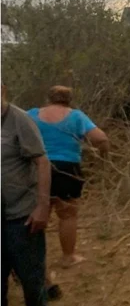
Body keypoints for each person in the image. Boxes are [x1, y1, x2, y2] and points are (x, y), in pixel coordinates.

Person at [27, 85, 109, 269]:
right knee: (67, 215)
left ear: (48, 97)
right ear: (69, 99)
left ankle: (34, 261)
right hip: (67, 168)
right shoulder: (76, 116)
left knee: (39, 214)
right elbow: (101, 139)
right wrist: (103, 159)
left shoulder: (31, 114)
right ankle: (68, 257)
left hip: (36, 167)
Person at [1, 81, 52, 306]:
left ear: (2, 89)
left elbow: (42, 162)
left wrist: (42, 207)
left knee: (32, 280)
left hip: (21, 216)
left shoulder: (19, 119)